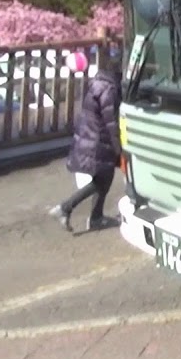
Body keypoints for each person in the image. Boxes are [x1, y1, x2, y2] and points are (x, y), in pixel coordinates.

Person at [48, 43, 123, 232]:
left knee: (103, 178)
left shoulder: (97, 83)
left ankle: (95, 217)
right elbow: (111, 121)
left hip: (89, 137)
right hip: (98, 141)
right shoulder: (109, 90)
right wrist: (119, 148)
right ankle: (66, 208)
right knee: (102, 179)